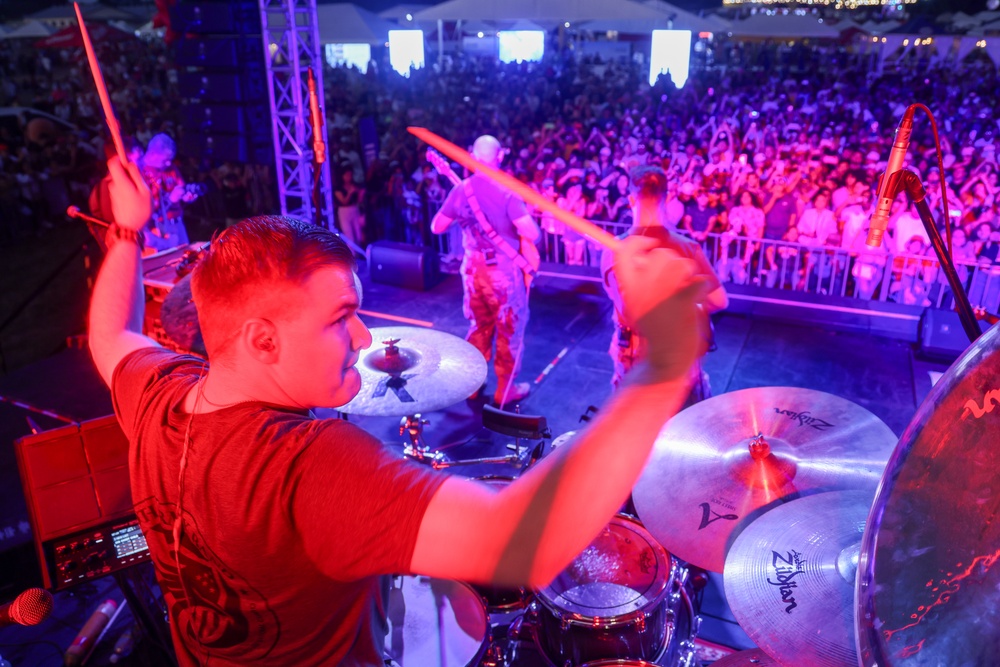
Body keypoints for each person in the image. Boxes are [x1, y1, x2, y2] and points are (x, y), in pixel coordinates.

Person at [89, 154, 713, 666]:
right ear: (262, 340)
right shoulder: (306, 468)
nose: (364, 339)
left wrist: (124, 233)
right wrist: (664, 359)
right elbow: (518, 546)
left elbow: (108, 335)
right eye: (341, 318)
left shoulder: (158, 397)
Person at [601, 165, 729, 403]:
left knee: (633, 422)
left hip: (634, 350)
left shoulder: (616, 251)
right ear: (668, 197)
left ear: (630, 199)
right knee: (680, 423)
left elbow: (627, 312)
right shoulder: (687, 247)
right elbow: (720, 300)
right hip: (676, 348)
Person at [431, 135, 541, 406]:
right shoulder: (507, 191)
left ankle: (472, 385)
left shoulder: (461, 190)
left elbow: (437, 227)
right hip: (502, 273)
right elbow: (532, 234)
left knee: (478, 326)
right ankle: (505, 390)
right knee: (509, 331)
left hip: (472, 271)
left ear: (472, 155)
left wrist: (464, 218)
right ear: (500, 157)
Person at [139, 133, 197, 252]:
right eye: (165, 160)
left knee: (187, 258)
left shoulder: (170, 168)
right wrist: (170, 200)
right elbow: (147, 212)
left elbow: (181, 188)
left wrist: (187, 197)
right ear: (153, 155)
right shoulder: (141, 172)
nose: (169, 164)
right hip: (157, 228)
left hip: (177, 223)